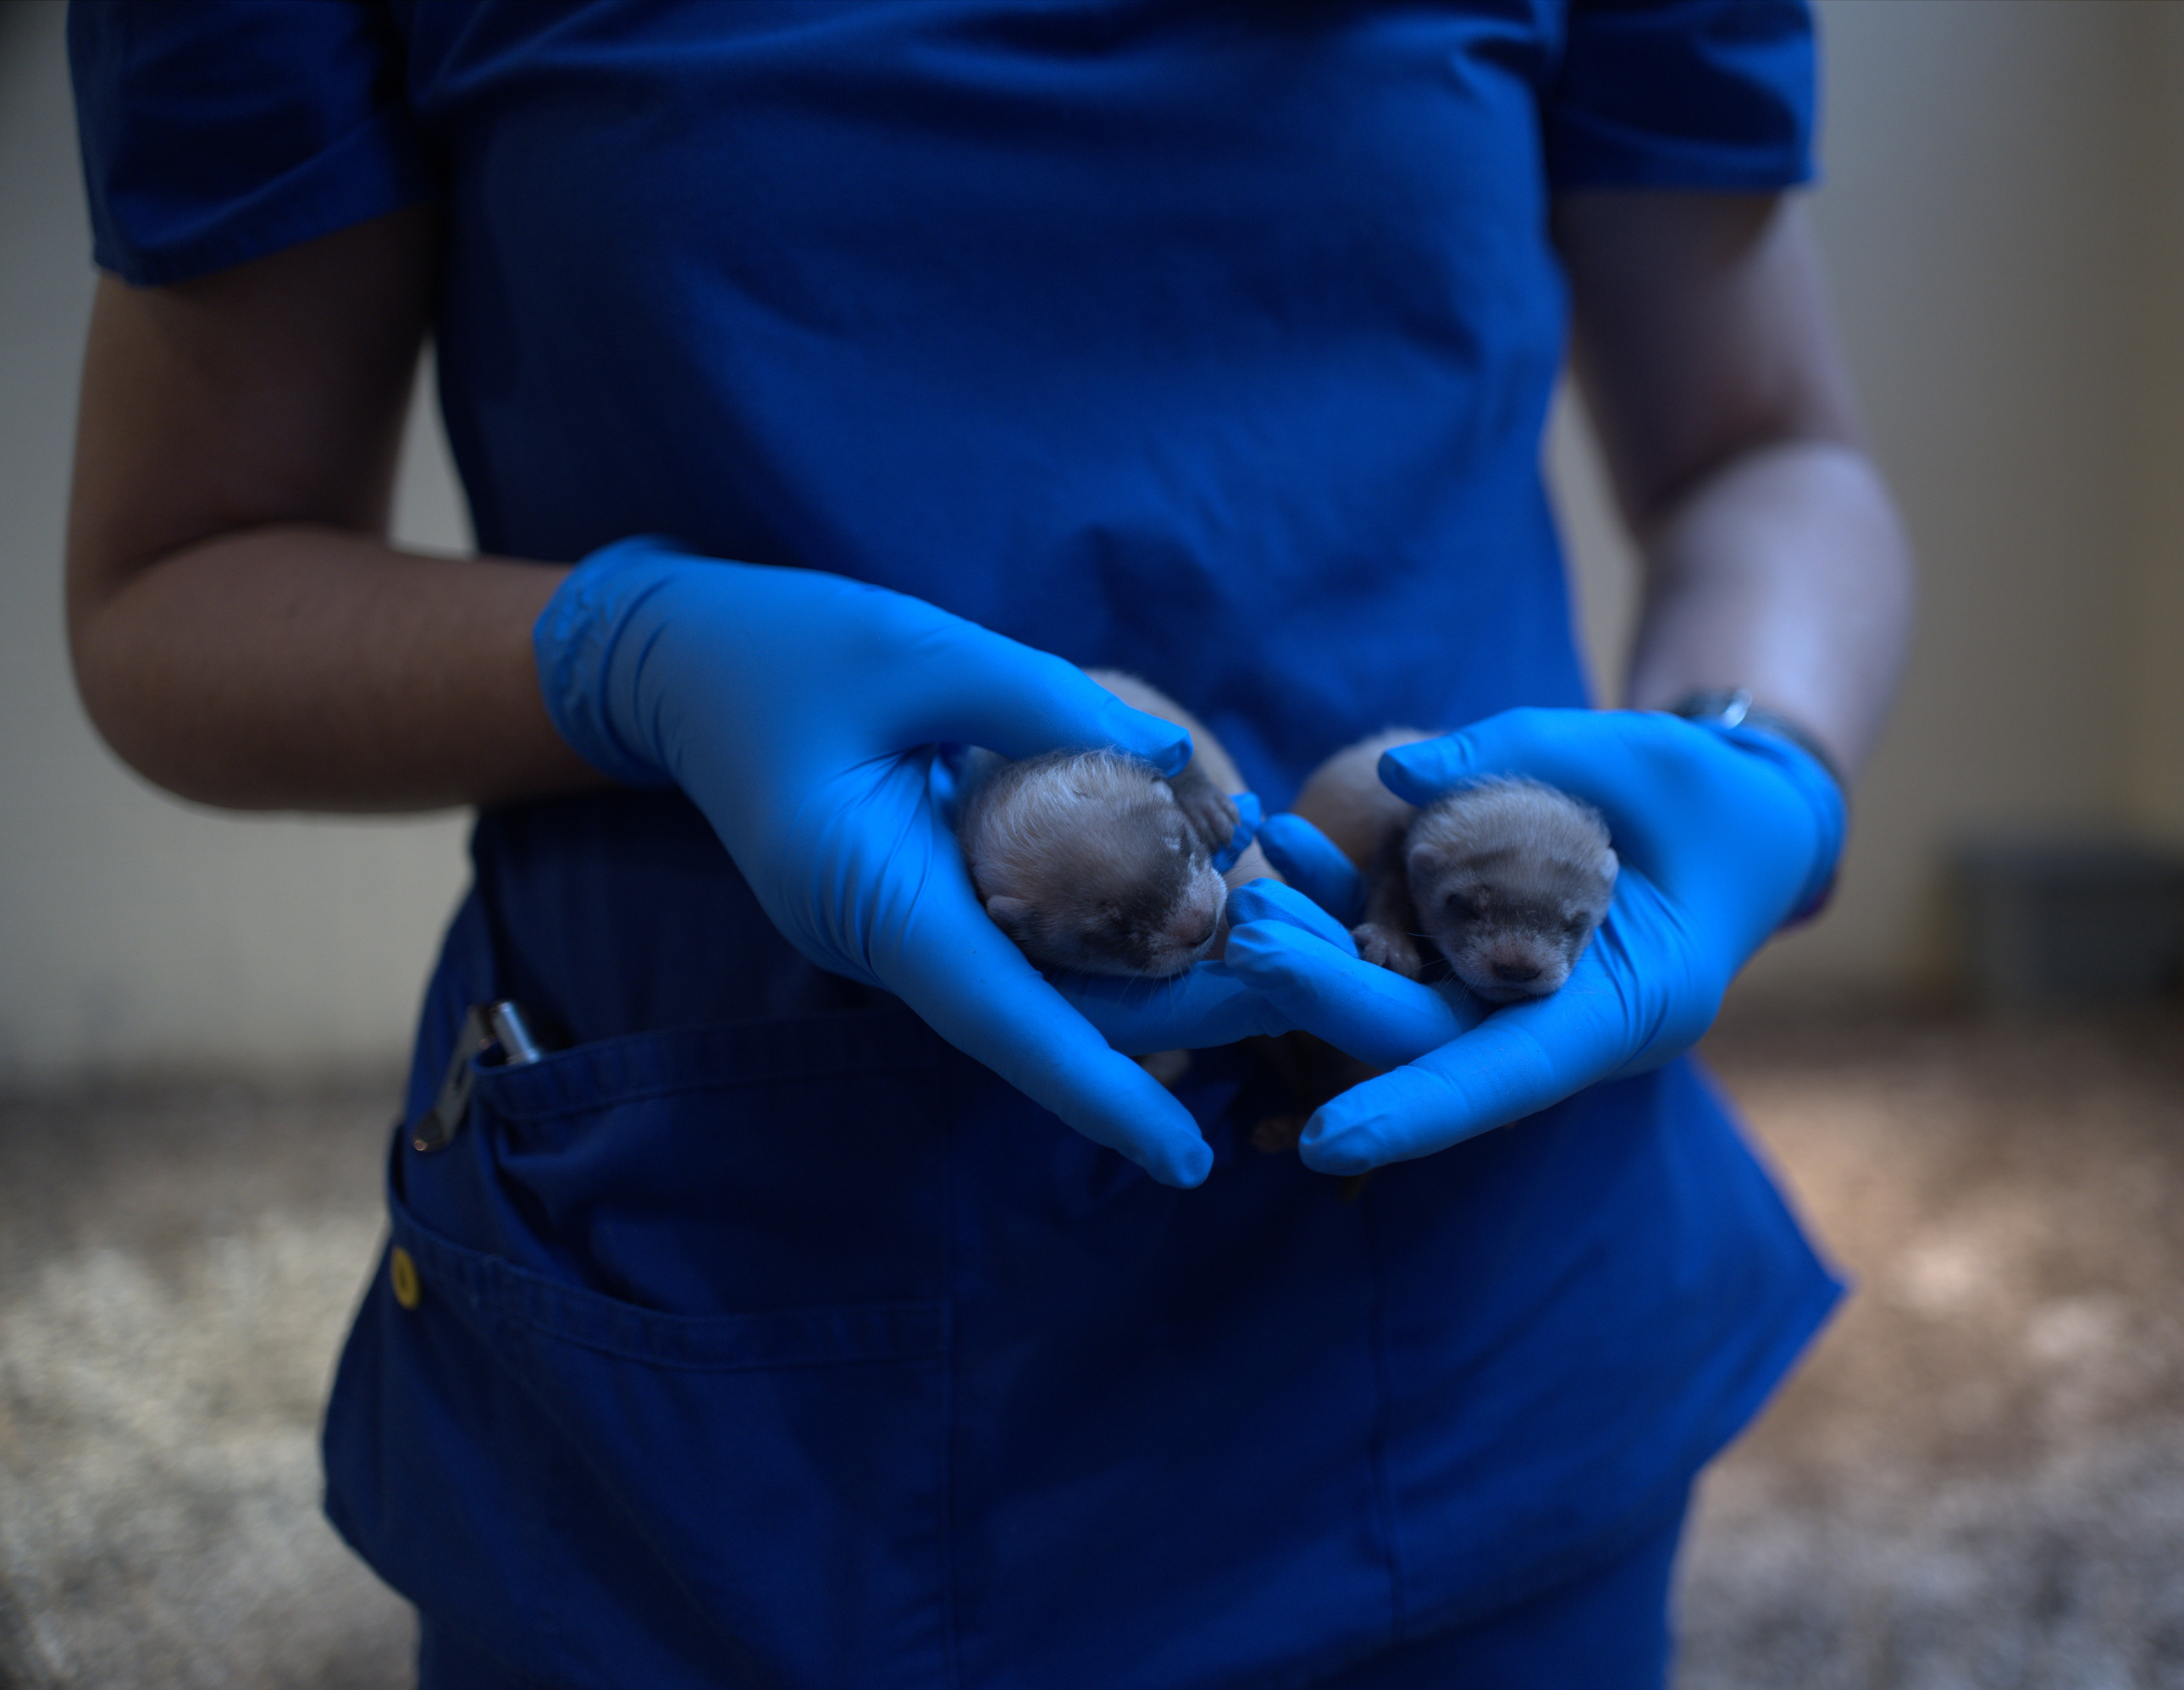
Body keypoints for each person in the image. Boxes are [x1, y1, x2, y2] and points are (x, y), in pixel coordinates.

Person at [64, 1, 1912, 1684]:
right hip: (729, 1352)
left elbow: (1761, 446)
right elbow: (177, 587)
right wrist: (633, 654)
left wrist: (1757, 754)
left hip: (1472, 1290)